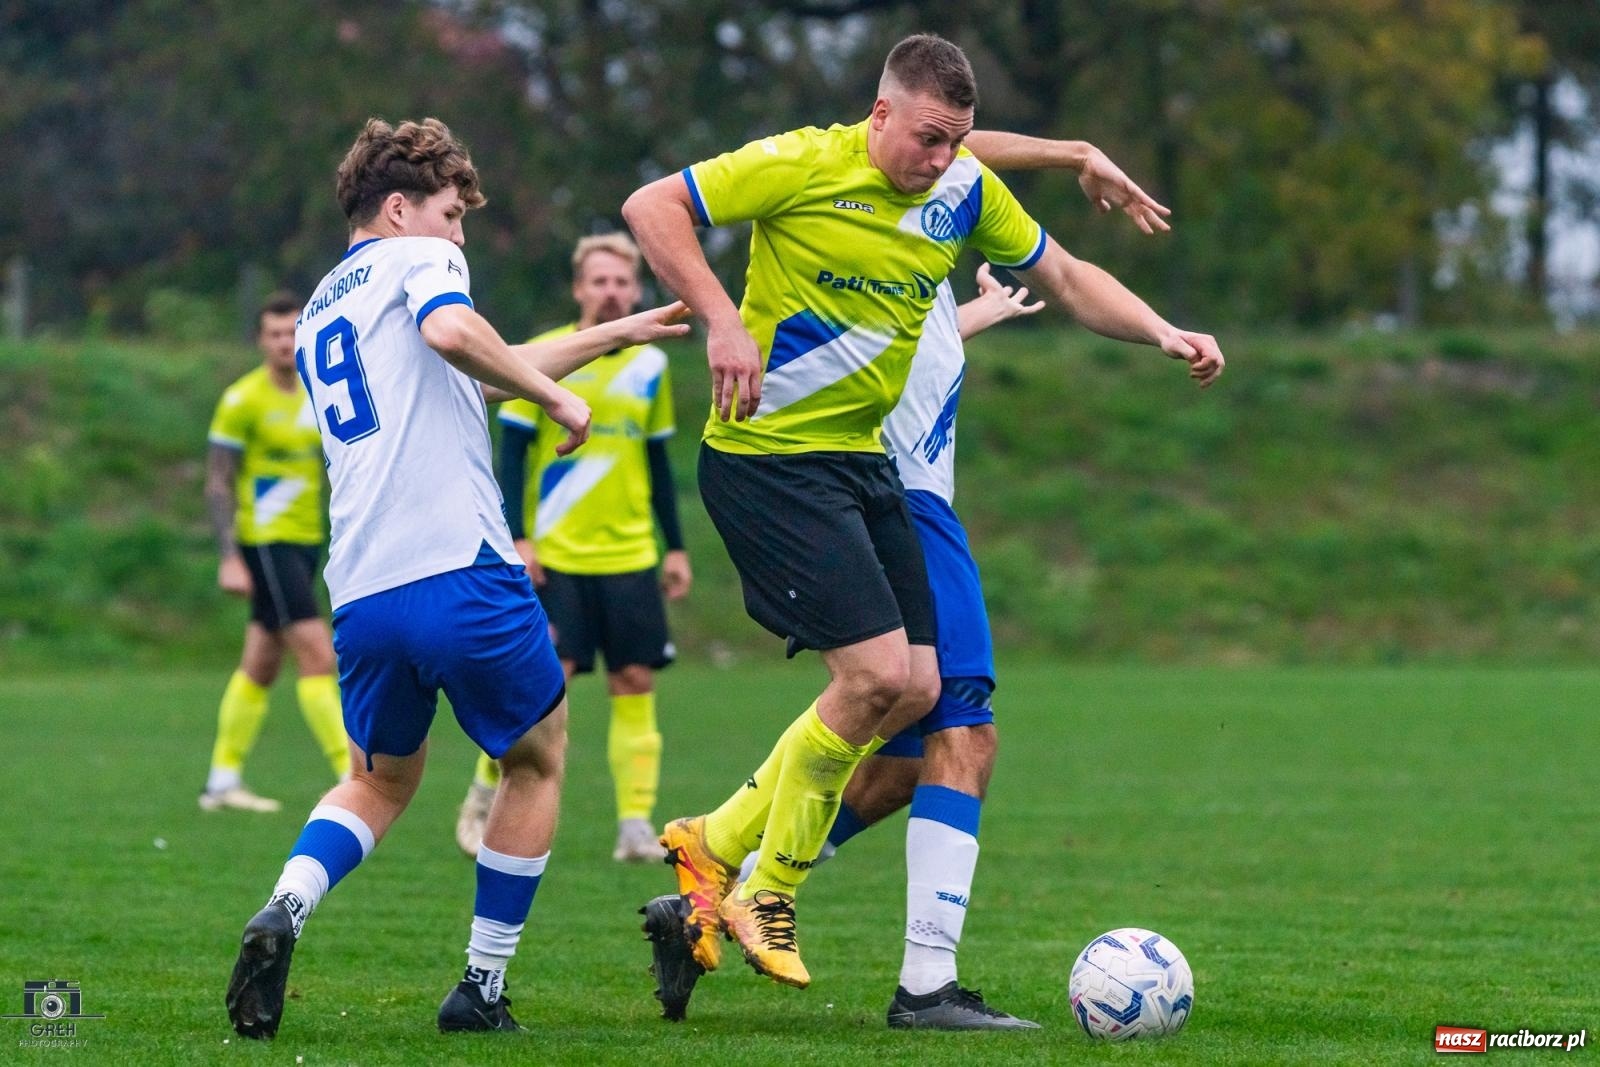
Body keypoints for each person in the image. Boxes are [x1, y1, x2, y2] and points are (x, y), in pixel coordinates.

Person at [623, 32, 1223, 995]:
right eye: (930, 139)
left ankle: (714, 848)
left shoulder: (961, 191)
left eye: (960, 142)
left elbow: (1067, 277)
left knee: (911, 703)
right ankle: (828, 926)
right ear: (879, 115)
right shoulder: (804, 162)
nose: (944, 161)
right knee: (916, 702)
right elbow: (653, 205)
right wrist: (721, 317)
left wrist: (1161, 329)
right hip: (780, 463)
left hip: (867, 469)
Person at [223, 116, 687, 1040]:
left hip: (361, 589)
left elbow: (472, 377)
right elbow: (450, 331)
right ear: (398, 208)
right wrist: (557, 397)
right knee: (539, 751)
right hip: (460, 566)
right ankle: (480, 986)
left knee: (382, 778)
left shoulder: (322, 308)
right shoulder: (418, 266)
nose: (458, 236)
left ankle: (284, 909)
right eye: (449, 216)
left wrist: (610, 336)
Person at [455, 232, 691, 863]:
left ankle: (636, 825)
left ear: (635, 288)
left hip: (631, 555)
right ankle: (482, 797)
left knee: (635, 680)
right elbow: (506, 454)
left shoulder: (650, 365)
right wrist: (517, 535)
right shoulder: (544, 356)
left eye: (622, 282)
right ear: (579, 288)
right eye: (600, 281)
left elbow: (659, 462)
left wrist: (675, 547)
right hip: (556, 556)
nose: (612, 292)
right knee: (539, 688)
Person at [201, 292, 347, 813]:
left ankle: (221, 781)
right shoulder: (243, 400)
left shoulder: (320, 392)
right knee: (317, 653)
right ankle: (350, 774)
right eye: (275, 334)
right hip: (265, 543)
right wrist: (229, 556)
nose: (286, 343)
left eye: (293, 333)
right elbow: (218, 483)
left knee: (261, 662)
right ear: (261, 340)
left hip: (307, 542)